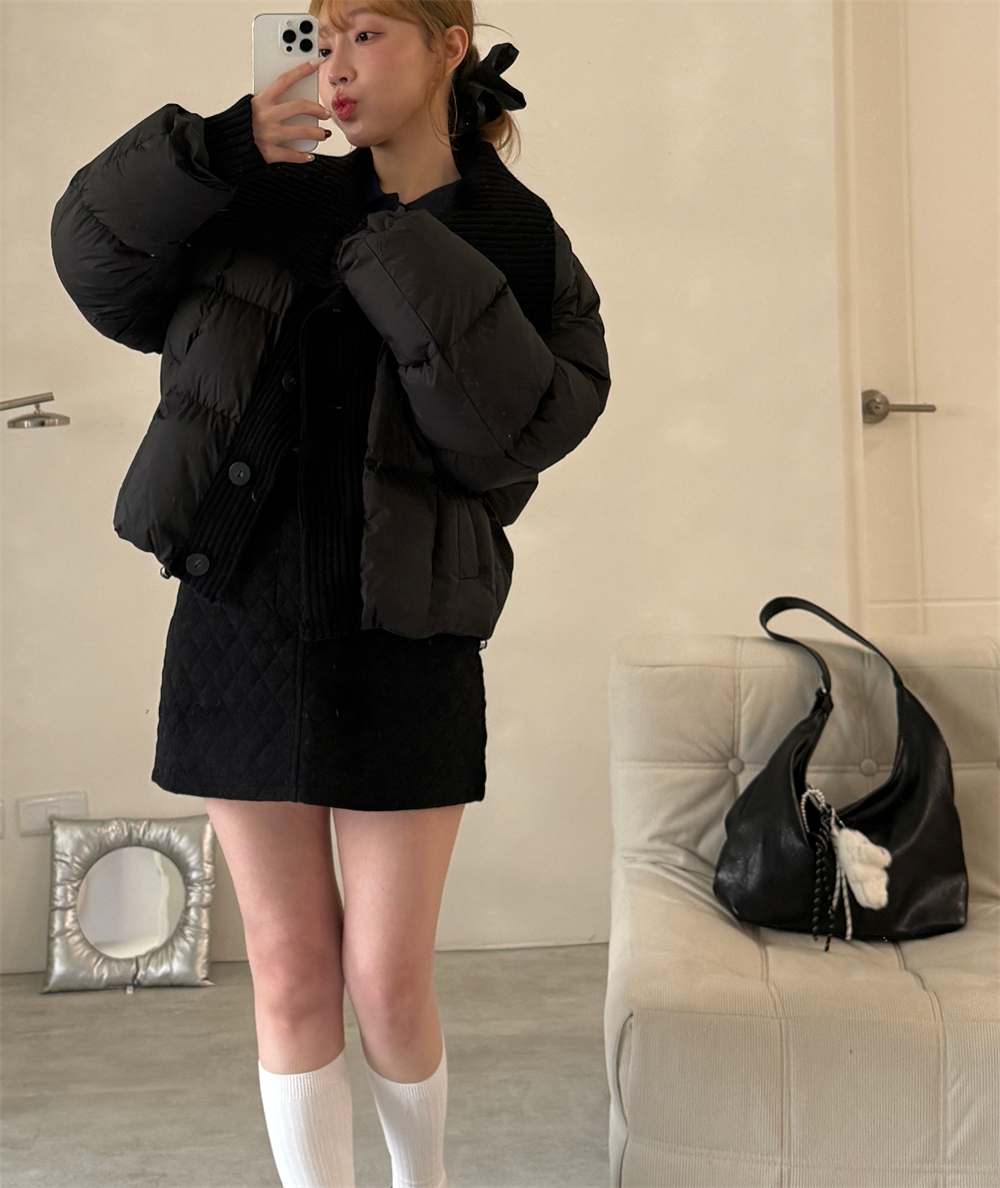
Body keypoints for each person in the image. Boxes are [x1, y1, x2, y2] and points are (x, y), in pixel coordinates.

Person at [50, 1, 611, 1185]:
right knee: (291, 968)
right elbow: (93, 257)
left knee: (387, 981)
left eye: (367, 33)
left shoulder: (507, 230)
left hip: (403, 628)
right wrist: (216, 148)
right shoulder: (256, 194)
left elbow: (510, 434)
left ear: (450, 43)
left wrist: (390, 231)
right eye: (318, 34)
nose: (336, 65)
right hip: (239, 621)